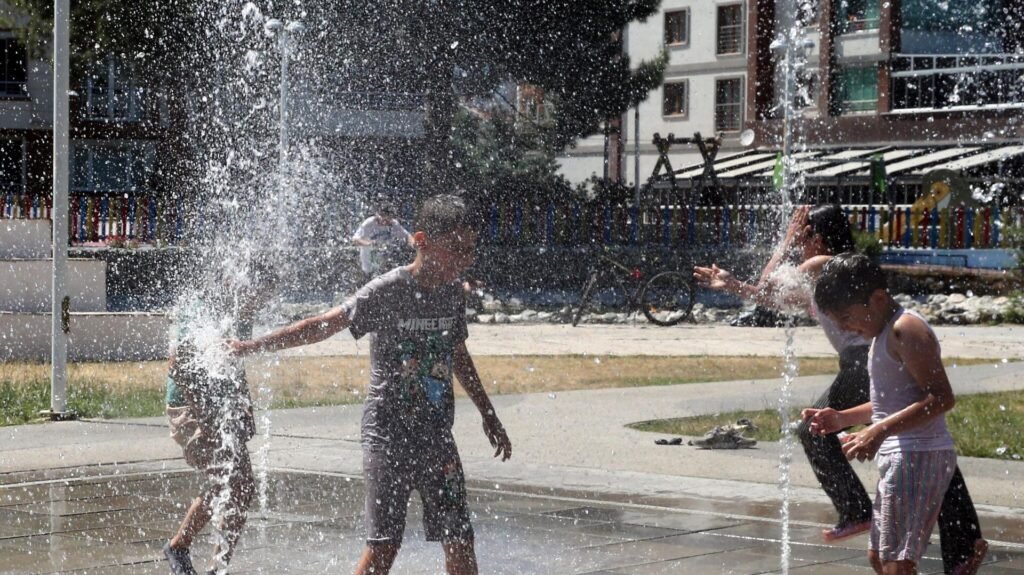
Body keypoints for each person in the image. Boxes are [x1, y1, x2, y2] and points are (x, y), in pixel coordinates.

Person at [694, 205, 986, 574]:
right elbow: (778, 300)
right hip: (868, 366)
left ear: (815, 237)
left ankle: (858, 510)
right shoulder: (837, 282)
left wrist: (783, 246)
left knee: (923, 456)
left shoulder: (825, 268)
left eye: (801, 233)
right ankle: (962, 544)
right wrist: (733, 284)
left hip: (862, 363)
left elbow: (771, 287)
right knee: (931, 462)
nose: (841, 322)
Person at [230, 194, 512, 575]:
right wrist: (252, 346)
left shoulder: (450, 292)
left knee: (460, 540)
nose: (464, 260)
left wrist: (487, 413)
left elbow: (457, 352)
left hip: (436, 437)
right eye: (456, 250)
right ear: (422, 240)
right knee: (384, 547)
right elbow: (323, 324)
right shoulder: (387, 290)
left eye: (470, 251)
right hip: (388, 436)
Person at [802, 253, 973, 575]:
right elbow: (888, 402)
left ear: (878, 298)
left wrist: (876, 431)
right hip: (902, 455)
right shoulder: (882, 335)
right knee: (880, 558)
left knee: (896, 562)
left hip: (919, 454)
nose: (845, 328)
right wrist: (841, 417)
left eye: (848, 317)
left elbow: (941, 398)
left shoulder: (904, 329)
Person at [163, 262, 277, 575]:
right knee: (233, 482)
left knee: (236, 486)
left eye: (264, 299)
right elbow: (178, 363)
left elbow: (231, 361)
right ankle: (183, 550)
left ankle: (198, 558)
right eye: (258, 296)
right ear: (235, 281)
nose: (258, 304)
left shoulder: (239, 310)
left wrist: (242, 406)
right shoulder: (205, 308)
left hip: (222, 407)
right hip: (190, 408)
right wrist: (207, 421)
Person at [351, 203, 414, 279]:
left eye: (389, 219)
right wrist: (369, 243)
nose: (386, 222)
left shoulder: (393, 224)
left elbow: (407, 236)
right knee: (369, 277)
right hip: (369, 260)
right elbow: (354, 240)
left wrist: (415, 245)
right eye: (384, 219)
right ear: (378, 215)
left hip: (384, 260)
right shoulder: (369, 223)